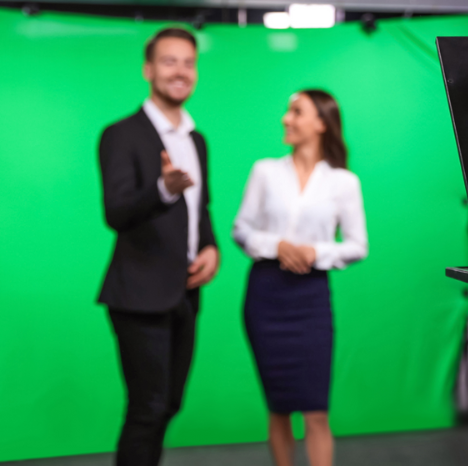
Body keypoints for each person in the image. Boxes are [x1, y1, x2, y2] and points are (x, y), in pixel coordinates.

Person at [97, 27, 220, 466]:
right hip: (138, 295)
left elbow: (201, 209)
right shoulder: (121, 135)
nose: (181, 71)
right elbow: (116, 211)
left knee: (168, 404)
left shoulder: (196, 139)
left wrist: (211, 248)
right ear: (148, 69)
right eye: (170, 61)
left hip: (185, 293)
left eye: (189, 62)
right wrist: (163, 189)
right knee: (147, 408)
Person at [233, 89, 368, 466]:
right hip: (265, 295)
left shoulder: (344, 182)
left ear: (321, 124)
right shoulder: (264, 171)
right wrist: (277, 245)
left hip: (310, 298)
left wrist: (315, 252)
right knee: (278, 408)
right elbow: (240, 229)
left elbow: (358, 245)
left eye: (296, 112)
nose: (285, 119)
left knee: (316, 411)